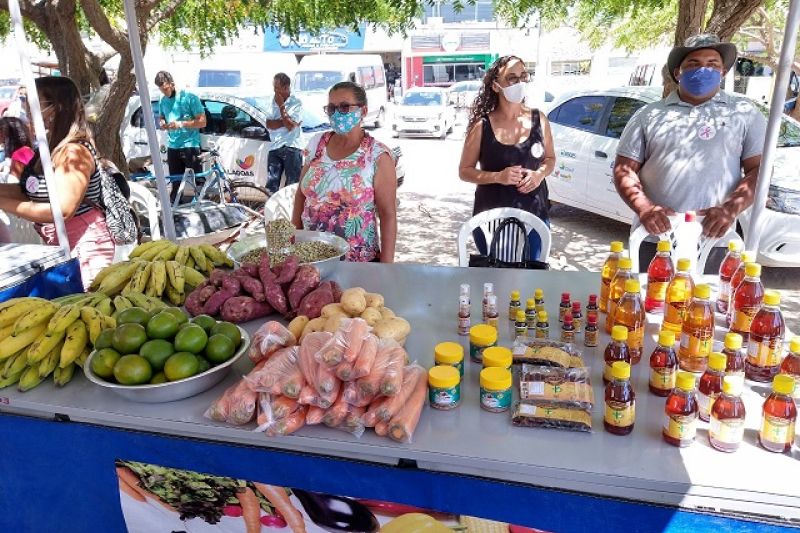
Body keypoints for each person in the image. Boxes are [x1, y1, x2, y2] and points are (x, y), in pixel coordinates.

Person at [614, 34, 767, 270]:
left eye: (712, 64)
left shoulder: (744, 113)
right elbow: (624, 169)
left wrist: (730, 209)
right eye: (694, 64)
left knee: (709, 305)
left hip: (716, 238)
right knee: (649, 303)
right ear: (678, 73)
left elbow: (759, 170)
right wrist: (644, 208)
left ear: (723, 72)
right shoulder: (649, 115)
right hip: (656, 238)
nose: (703, 70)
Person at [0, 76, 115, 286]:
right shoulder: (49, 148)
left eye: (33, 104)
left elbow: (63, 209)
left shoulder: (74, 152)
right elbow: (28, 192)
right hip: (60, 244)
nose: (26, 111)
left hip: (87, 246)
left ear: (55, 108)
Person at [458, 55, 556, 260]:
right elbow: (464, 171)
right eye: (511, 78)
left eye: (523, 76)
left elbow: (550, 159)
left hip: (534, 217)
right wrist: (497, 177)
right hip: (490, 220)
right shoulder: (482, 126)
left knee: (531, 280)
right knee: (497, 281)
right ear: (495, 86)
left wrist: (539, 174)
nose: (519, 83)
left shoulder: (540, 120)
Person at [291, 81, 397, 263]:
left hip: (357, 262)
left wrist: (386, 268)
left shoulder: (377, 156)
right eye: (332, 108)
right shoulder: (317, 144)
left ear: (363, 111)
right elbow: (301, 195)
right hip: (310, 257)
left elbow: (388, 215)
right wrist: (294, 240)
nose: (337, 113)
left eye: (345, 107)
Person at [154, 71, 206, 202]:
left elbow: (203, 122)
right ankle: (175, 213)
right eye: (161, 90)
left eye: (165, 89)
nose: (164, 93)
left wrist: (181, 124)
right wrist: (162, 122)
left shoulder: (190, 97)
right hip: (173, 146)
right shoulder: (163, 100)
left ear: (172, 84)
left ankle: (202, 207)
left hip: (190, 145)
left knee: (198, 181)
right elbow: (161, 116)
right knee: (175, 183)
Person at [264, 73, 304, 195]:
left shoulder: (296, 103)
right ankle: (270, 211)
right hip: (275, 146)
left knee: (291, 185)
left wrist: (282, 106)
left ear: (286, 87)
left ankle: (290, 212)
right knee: (271, 184)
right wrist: (286, 121)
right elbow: (269, 124)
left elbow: (290, 126)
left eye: (277, 87)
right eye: (274, 87)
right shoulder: (271, 102)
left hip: (291, 146)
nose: (275, 90)